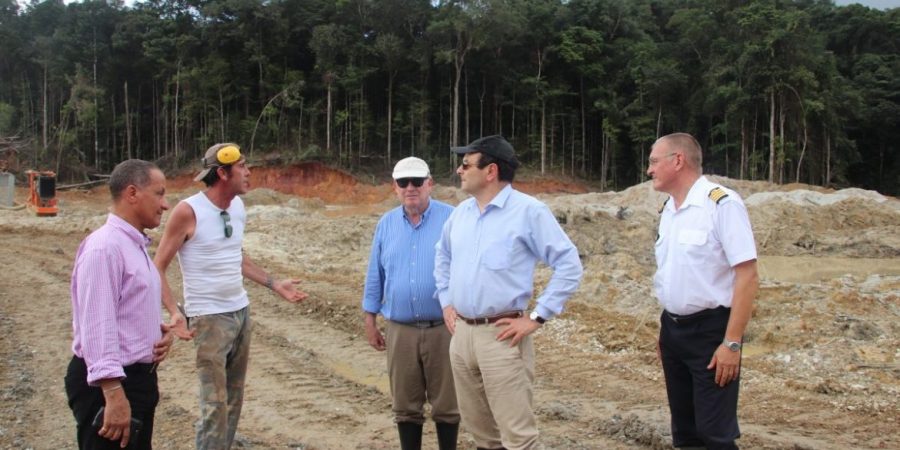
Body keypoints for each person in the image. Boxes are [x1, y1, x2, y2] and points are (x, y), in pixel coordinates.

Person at [153, 143, 308, 449]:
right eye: (242, 167)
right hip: (209, 320)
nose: (249, 173)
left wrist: (274, 283)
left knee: (234, 401)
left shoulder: (237, 207)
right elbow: (156, 266)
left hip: (241, 313)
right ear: (222, 173)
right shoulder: (188, 211)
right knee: (214, 406)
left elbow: (235, 255)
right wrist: (175, 312)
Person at [434, 135, 583, 450]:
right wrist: (447, 301)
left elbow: (569, 264)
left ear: (490, 171)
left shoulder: (529, 212)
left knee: (518, 438)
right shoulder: (460, 213)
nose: (459, 171)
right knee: (482, 435)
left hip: (502, 336)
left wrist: (536, 317)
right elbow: (442, 258)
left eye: (465, 165)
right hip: (461, 336)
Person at [647, 133, 760, 450]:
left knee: (715, 435)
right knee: (685, 433)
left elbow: (748, 276)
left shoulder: (721, 204)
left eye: (654, 161)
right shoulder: (668, 210)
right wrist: (666, 333)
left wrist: (732, 342)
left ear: (677, 160)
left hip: (711, 332)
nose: (649, 170)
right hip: (673, 330)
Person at [65, 159, 177, 449]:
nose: (165, 205)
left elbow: (126, 308)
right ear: (132, 193)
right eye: (159, 193)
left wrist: (157, 332)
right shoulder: (105, 248)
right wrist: (113, 392)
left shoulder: (134, 245)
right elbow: (97, 324)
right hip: (111, 384)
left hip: (137, 379)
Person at [362, 157, 459, 450]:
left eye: (417, 181)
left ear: (430, 183)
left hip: (445, 328)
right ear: (394, 187)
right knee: (405, 404)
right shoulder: (386, 224)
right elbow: (375, 273)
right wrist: (370, 318)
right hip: (400, 329)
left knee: (448, 404)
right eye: (403, 182)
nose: (411, 188)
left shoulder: (453, 219)